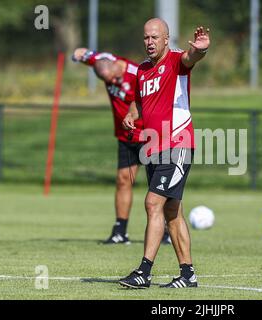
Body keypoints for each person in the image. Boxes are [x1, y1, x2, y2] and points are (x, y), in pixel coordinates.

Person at [119, 18, 210, 289]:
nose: (149, 42)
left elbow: (192, 57)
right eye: (146, 37)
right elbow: (139, 100)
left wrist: (201, 49)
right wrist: (131, 114)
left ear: (166, 39)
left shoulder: (175, 61)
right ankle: (187, 274)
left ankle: (144, 272)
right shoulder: (142, 71)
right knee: (172, 211)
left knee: (152, 203)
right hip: (154, 147)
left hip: (177, 144)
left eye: (155, 37)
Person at [72, 48, 171, 245]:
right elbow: (79, 53)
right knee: (123, 179)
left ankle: (166, 231)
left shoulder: (137, 73)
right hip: (126, 135)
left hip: (149, 134)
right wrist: (79, 56)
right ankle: (120, 231)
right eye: (108, 82)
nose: (113, 84)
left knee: (158, 185)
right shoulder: (101, 62)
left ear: (118, 67)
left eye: (115, 79)